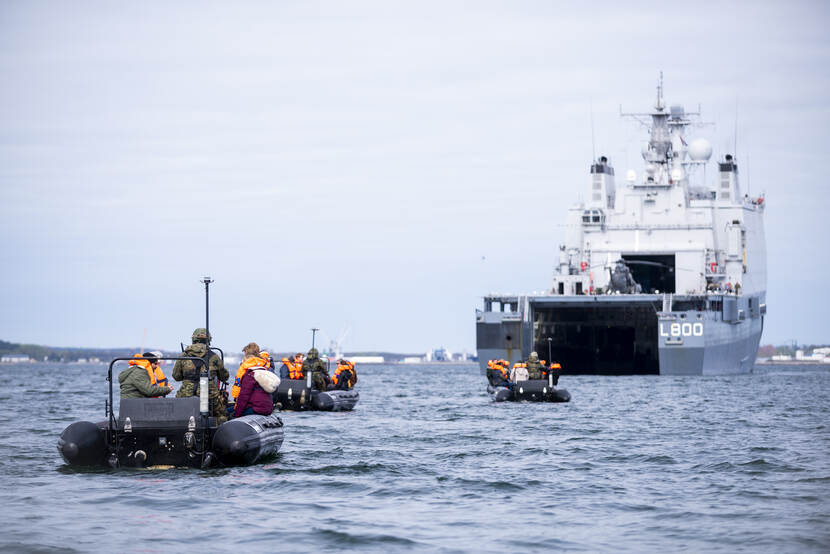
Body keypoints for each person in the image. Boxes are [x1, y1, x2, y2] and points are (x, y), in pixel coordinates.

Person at [172, 327, 230, 423]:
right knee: (222, 414)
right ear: (208, 340)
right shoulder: (214, 356)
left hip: (186, 392)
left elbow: (176, 376)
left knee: (177, 412)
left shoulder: (183, 356)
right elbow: (224, 376)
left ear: (193, 339)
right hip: (209, 393)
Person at [233, 342, 276, 418]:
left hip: (257, 408)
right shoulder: (264, 370)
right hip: (268, 407)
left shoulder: (250, 375)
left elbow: (244, 397)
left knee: (228, 412)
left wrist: (236, 415)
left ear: (246, 358)